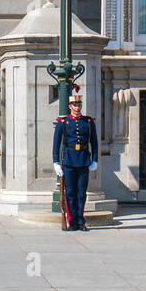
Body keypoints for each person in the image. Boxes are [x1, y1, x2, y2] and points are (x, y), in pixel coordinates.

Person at [52, 89, 98, 231]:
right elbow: (56, 143)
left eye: (79, 105)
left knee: (81, 193)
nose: (77, 108)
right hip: (69, 161)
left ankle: (80, 221)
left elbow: (94, 142)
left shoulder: (88, 122)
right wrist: (56, 162)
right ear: (70, 106)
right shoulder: (63, 122)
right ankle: (72, 222)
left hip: (84, 160)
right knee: (70, 193)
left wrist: (94, 160)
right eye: (74, 105)